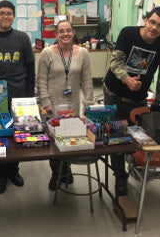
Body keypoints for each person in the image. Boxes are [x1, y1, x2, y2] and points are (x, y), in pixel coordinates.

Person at [103, 7, 160, 219]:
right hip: (113, 93)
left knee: (135, 138)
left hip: (139, 99)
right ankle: (120, 178)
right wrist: (126, 78)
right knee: (117, 139)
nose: (154, 28)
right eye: (152, 22)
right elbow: (116, 62)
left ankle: (130, 166)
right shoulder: (128, 33)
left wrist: (159, 105)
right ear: (145, 20)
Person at [0, 0, 35, 194]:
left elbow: (30, 68)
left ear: (13, 16)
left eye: (9, 13)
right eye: (2, 13)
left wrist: (29, 97)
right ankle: (0, 173)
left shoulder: (22, 38)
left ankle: (14, 169)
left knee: (17, 132)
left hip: (18, 92)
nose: (6, 16)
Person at [37, 20, 94, 191]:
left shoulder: (83, 53)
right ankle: (56, 173)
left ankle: (66, 169)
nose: (65, 34)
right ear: (56, 35)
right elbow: (40, 80)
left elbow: (87, 80)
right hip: (53, 106)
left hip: (73, 105)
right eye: (61, 31)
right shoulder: (47, 53)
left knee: (70, 137)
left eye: (68, 30)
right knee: (54, 141)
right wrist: (45, 102)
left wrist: (88, 103)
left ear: (73, 32)